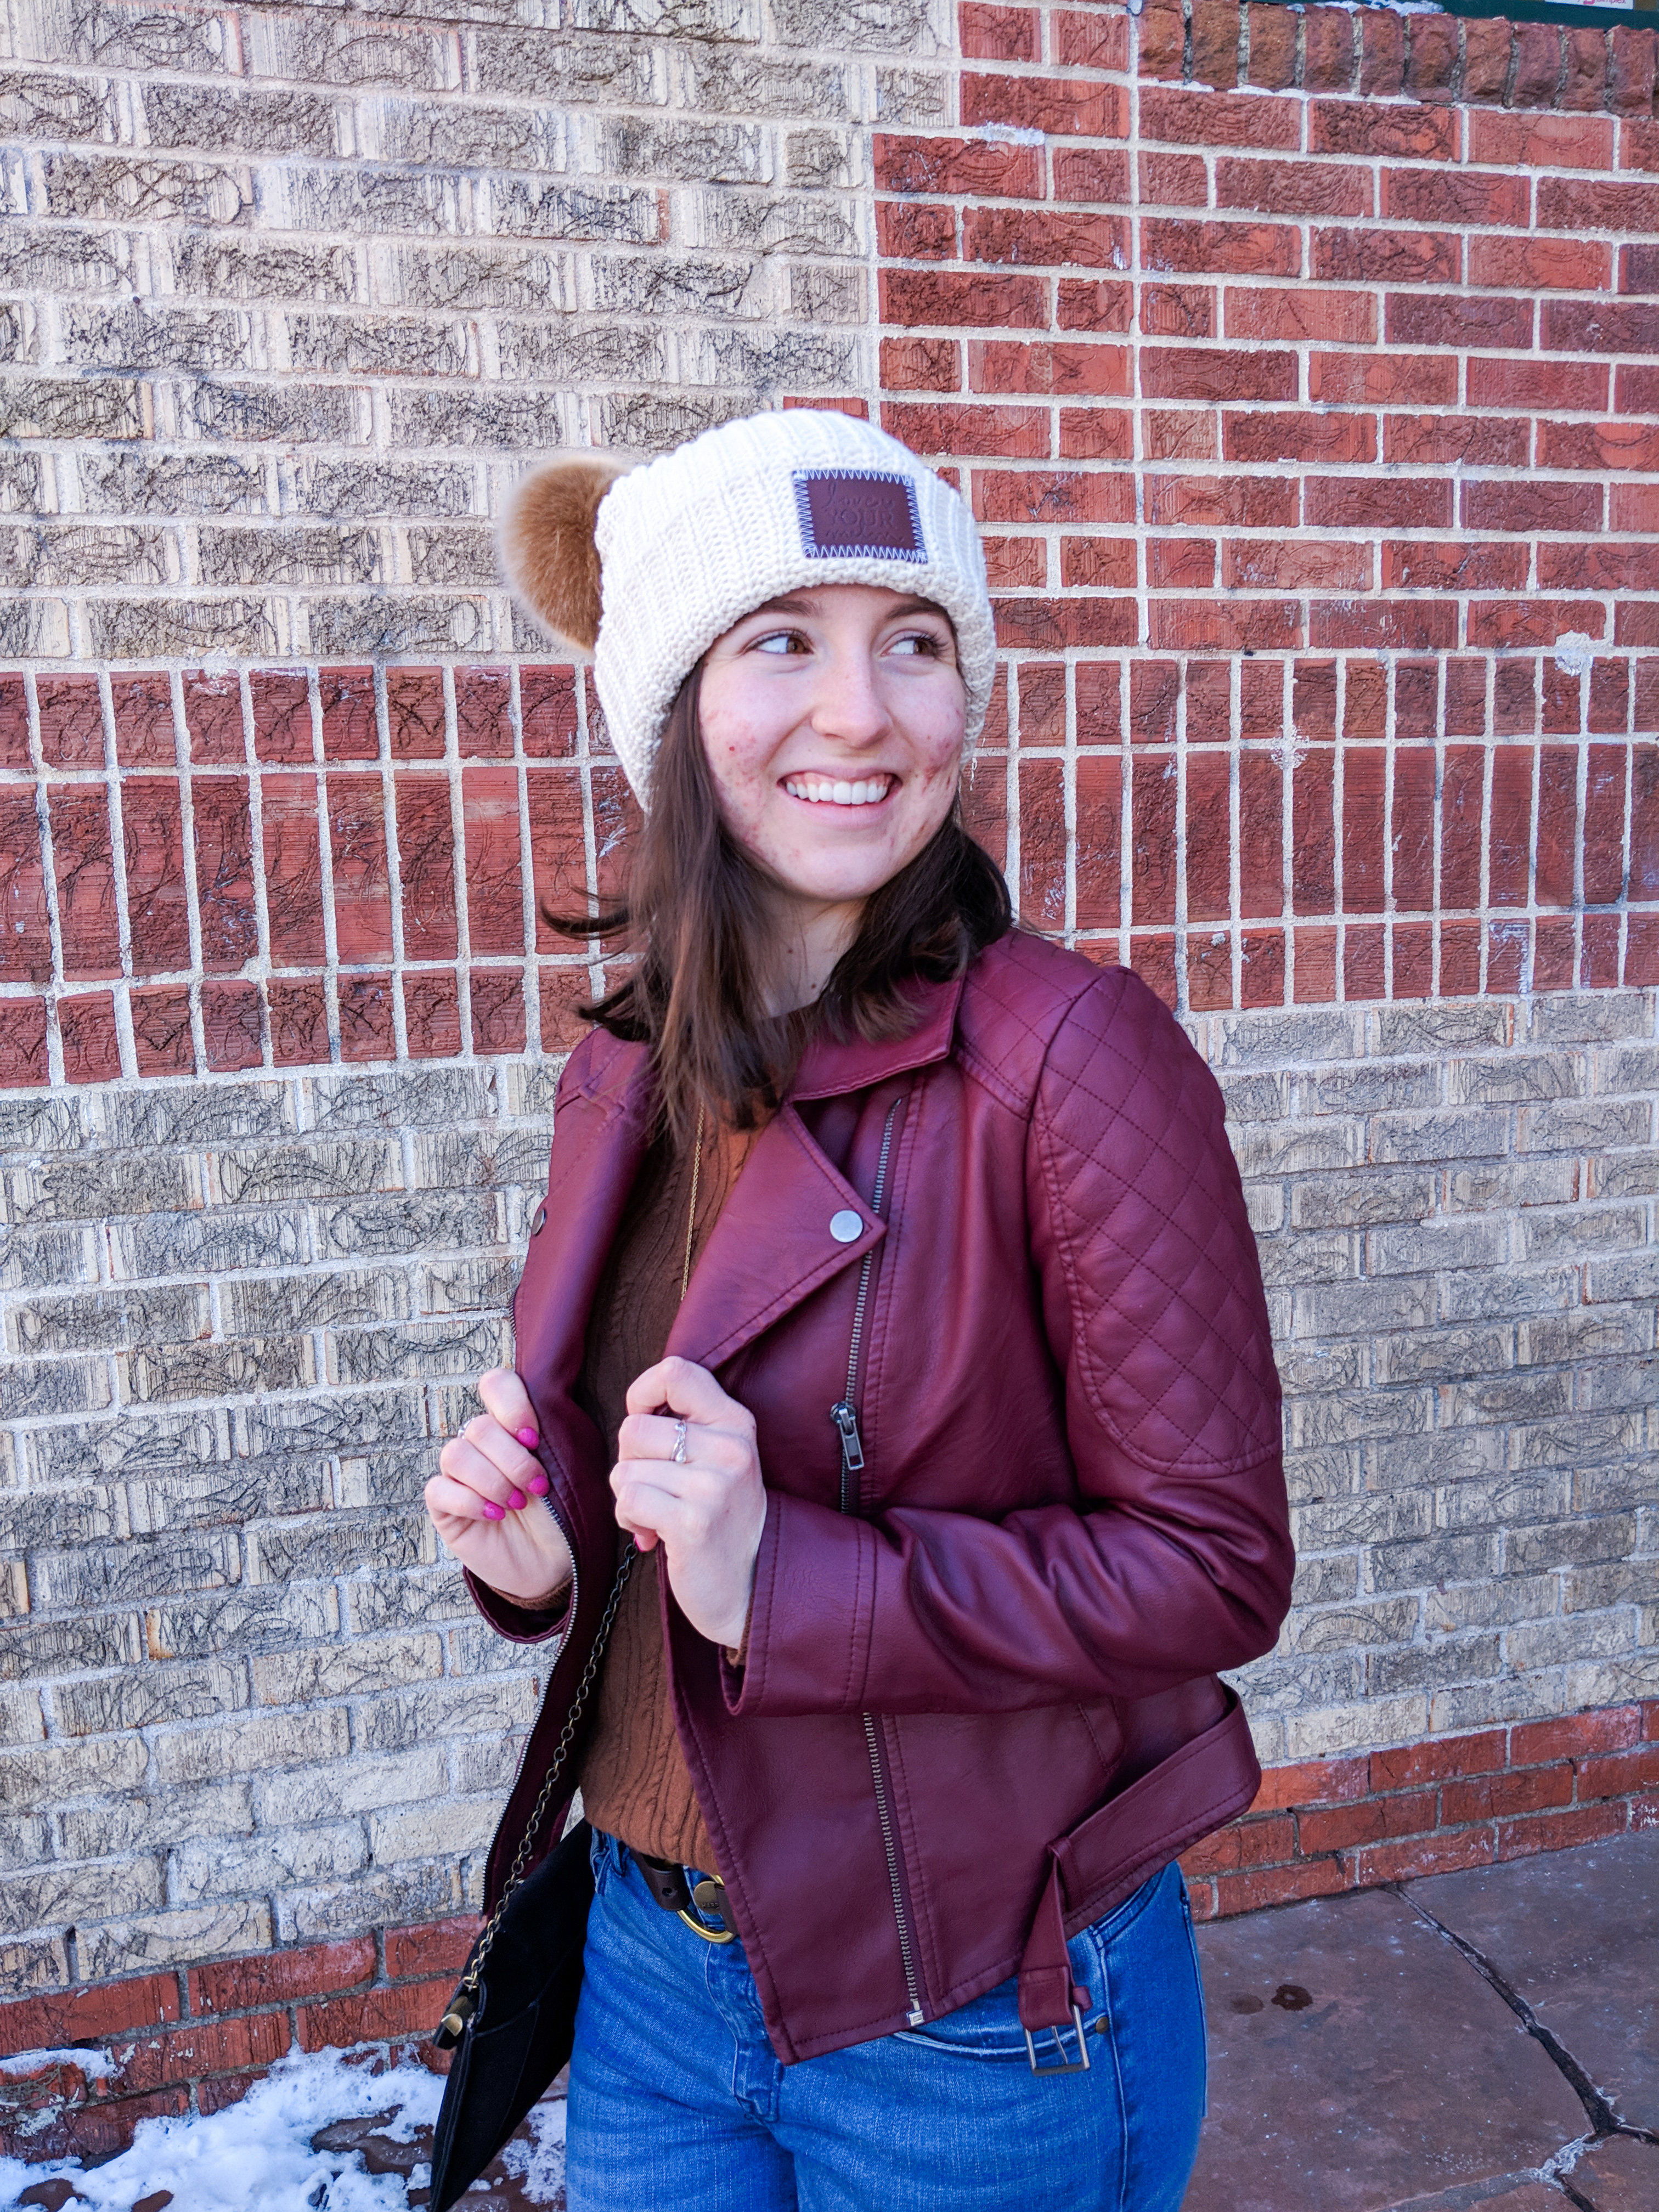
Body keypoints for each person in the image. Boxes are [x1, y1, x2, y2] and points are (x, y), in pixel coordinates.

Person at [422, 408, 1293, 2212]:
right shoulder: (624, 1071)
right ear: (670, 708)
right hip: (653, 1967)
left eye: (914, 642)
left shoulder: (1070, 1059)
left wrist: (783, 1583)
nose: (861, 711)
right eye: (781, 643)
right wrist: (545, 1561)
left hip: (969, 2003)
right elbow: (651, 1510)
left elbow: (1213, 1564)